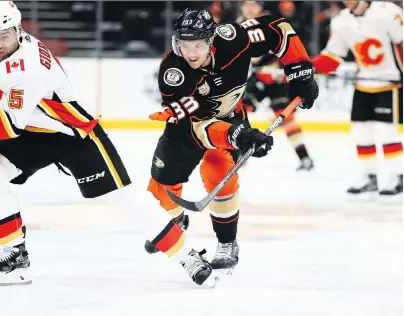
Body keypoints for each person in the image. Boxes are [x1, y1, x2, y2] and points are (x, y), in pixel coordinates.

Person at [0, 1, 216, 287]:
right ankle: (15, 254)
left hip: (70, 132)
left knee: (122, 195)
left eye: (4, 36)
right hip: (29, 128)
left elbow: (4, 126)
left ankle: (187, 255)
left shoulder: (26, 69)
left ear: (19, 30)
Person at [144, 8, 319, 270]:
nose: (191, 53)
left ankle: (227, 241)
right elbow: (198, 127)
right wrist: (239, 135)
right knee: (162, 188)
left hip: (230, 118)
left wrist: (300, 69)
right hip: (187, 128)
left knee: (219, 171)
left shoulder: (234, 39)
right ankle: (177, 220)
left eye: (198, 44)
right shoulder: (173, 73)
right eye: (184, 44)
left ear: (211, 41)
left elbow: (278, 29)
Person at [312, 0, 403, 196]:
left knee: (388, 133)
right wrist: (310, 67)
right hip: (363, 84)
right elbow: (333, 56)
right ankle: (370, 177)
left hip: (390, 83)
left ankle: (398, 176)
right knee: (361, 133)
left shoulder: (387, 11)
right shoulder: (341, 22)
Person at [240, 0, 314, 171]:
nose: (249, 8)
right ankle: (239, 154)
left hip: (277, 79)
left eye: (253, 5)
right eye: (246, 4)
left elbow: (285, 47)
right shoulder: (239, 25)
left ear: (260, 7)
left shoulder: (270, 22)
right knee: (239, 111)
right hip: (257, 77)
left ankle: (305, 158)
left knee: (285, 117)